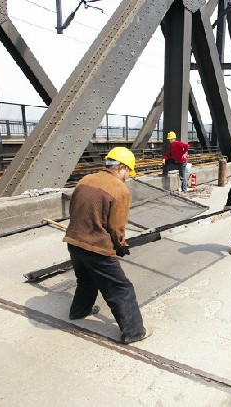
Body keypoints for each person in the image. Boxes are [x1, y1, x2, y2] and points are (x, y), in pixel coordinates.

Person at [63, 146, 151, 345]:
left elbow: (74, 210)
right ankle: (134, 331)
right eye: (128, 171)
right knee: (121, 288)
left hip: (74, 242)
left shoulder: (85, 180)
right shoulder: (120, 190)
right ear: (121, 167)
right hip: (96, 247)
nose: (128, 177)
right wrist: (120, 245)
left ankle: (79, 311)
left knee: (86, 279)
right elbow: (116, 226)